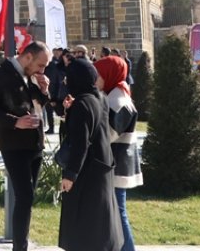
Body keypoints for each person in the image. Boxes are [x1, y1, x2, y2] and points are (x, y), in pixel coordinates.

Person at [0, 41, 51, 251]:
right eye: (41, 65)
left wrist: (44, 90)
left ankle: (21, 243)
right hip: (13, 144)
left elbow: (38, 104)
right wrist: (15, 122)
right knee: (24, 195)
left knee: (28, 197)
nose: (42, 70)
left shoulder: (31, 76)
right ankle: (20, 246)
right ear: (28, 57)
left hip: (34, 143)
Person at [57, 57, 122, 251]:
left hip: (86, 171)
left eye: (68, 78)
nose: (66, 82)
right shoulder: (98, 97)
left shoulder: (81, 105)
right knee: (101, 221)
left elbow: (80, 143)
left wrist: (70, 175)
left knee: (84, 226)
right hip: (101, 165)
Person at [95, 55, 142, 251]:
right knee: (114, 213)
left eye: (97, 75)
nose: (95, 79)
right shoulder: (112, 95)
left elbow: (108, 134)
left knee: (118, 212)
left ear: (109, 74)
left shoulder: (118, 100)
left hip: (118, 166)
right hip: (115, 164)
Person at [43, 48, 67, 134]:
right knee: (50, 112)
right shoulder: (51, 66)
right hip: (50, 91)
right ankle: (51, 128)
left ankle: (53, 128)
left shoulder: (54, 66)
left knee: (59, 113)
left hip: (54, 92)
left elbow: (54, 81)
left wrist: (53, 97)